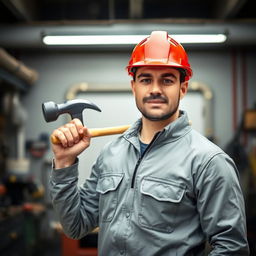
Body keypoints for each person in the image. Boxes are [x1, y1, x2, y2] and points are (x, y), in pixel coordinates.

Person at [49, 31, 249, 255]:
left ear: (182, 88)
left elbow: (232, 248)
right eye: (146, 79)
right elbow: (75, 226)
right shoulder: (111, 154)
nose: (155, 89)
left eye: (167, 80)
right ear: (134, 87)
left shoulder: (209, 162)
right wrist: (64, 163)